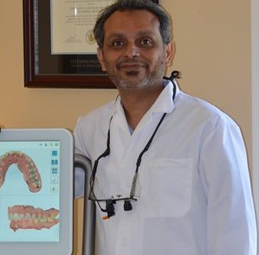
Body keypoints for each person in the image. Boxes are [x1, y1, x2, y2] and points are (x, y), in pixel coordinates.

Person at [73, 0, 257, 254]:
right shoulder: (89, 128)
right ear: (102, 57)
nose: (131, 53)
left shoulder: (211, 127)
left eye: (145, 42)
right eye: (118, 43)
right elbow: (50, 189)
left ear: (168, 52)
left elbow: (235, 235)